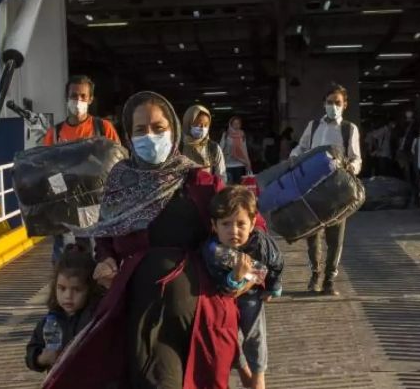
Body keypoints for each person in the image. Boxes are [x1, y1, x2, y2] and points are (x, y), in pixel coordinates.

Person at [43, 91, 251, 389]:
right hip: (140, 309)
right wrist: (105, 259)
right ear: (128, 136)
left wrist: (247, 268)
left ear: (174, 130)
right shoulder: (118, 182)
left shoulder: (201, 182)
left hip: (200, 313)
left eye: (158, 127)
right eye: (140, 130)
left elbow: (246, 224)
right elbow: (106, 236)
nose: (149, 136)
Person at [202, 186, 283, 389]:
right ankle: (244, 370)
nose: (234, 231)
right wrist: (236, 277)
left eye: (241, 224)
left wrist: (273, 286)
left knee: (255, 335)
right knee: (231, 338)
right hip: (223, 299)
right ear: (214, 225)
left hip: (252, 297)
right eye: (226, 224)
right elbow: (222, 286)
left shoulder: (261, 243)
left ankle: (258, 376)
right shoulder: (214, 252)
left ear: (253, 223)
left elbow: (276, 262)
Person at [290, 85, 361, 296]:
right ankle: (315, 274)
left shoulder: (349, 129)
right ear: (324, 104)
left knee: (335, 237)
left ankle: (330, 278)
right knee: (312, 235)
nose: (333, 106)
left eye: (337, 102)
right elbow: (301, 148)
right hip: (312, 187)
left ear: (345, 105)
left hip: (338, 190)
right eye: (330, 102)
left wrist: (352, 167)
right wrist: (294, 158)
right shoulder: (313, 127)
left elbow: (356, 157)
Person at [42, 75, 121, 262]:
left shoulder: (103, 128)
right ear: (66, 97)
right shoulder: (55, 133)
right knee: (64, 258)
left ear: (90, 99)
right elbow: (47, 168)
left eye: (83, 96)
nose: (78, 101)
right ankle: (61, 288)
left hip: (96, 205)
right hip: (65, 205)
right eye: (74, 95)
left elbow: (118, 163)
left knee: (98, 254)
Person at [26, 244, 100, 372]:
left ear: (90, 290)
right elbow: (31, 352)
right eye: (62, 288)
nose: (68, 296)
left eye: (77, 290)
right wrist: (42, 358)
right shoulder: (50, 320)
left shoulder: (95, 317)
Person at [180, 104, 227, 181]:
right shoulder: (178, 147)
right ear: (188, 123)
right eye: (198, 124)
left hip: (208, 191)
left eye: (206, 125)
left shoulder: (213, 147)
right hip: (184, 192)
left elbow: (221, 175)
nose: (202, 128)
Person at [220, 116, 252, 183]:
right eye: (234, 124)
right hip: (228, 164)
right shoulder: (226, 135)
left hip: (240, 163)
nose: (236, 125)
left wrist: (248, 163)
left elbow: (244, 149)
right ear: (230, 125)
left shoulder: (242, 135)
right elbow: (220, 148)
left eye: (238, 123)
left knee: (238, 186)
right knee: (229, 185)